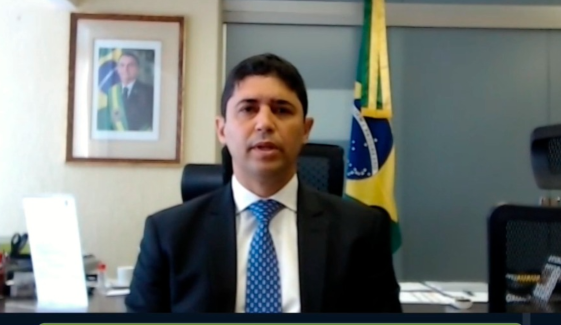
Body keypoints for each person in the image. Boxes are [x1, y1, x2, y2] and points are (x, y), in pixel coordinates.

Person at [125, 53, 401, 313]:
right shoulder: (168, 235)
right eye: (248, 109)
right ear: (222, 130)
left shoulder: (361, 231)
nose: (265, 123)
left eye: (282, 110)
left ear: (305, 130)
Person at [98, 52, 154, 131]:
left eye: (130, 65)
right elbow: (110, 122)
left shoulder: (149, 92)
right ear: (117, 69)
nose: (125, 69)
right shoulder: (111, 92)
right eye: (122, 65)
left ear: (138, 69)